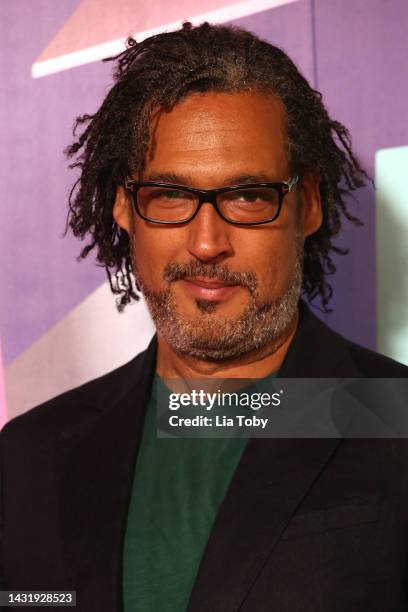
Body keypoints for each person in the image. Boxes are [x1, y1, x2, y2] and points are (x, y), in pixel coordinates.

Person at [1, 22, 407, 612]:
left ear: (308, 203)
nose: (207, 243)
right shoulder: (34, 457)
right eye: (170, 195)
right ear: (123, 205)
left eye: (247, 196)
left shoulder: (395, 420)